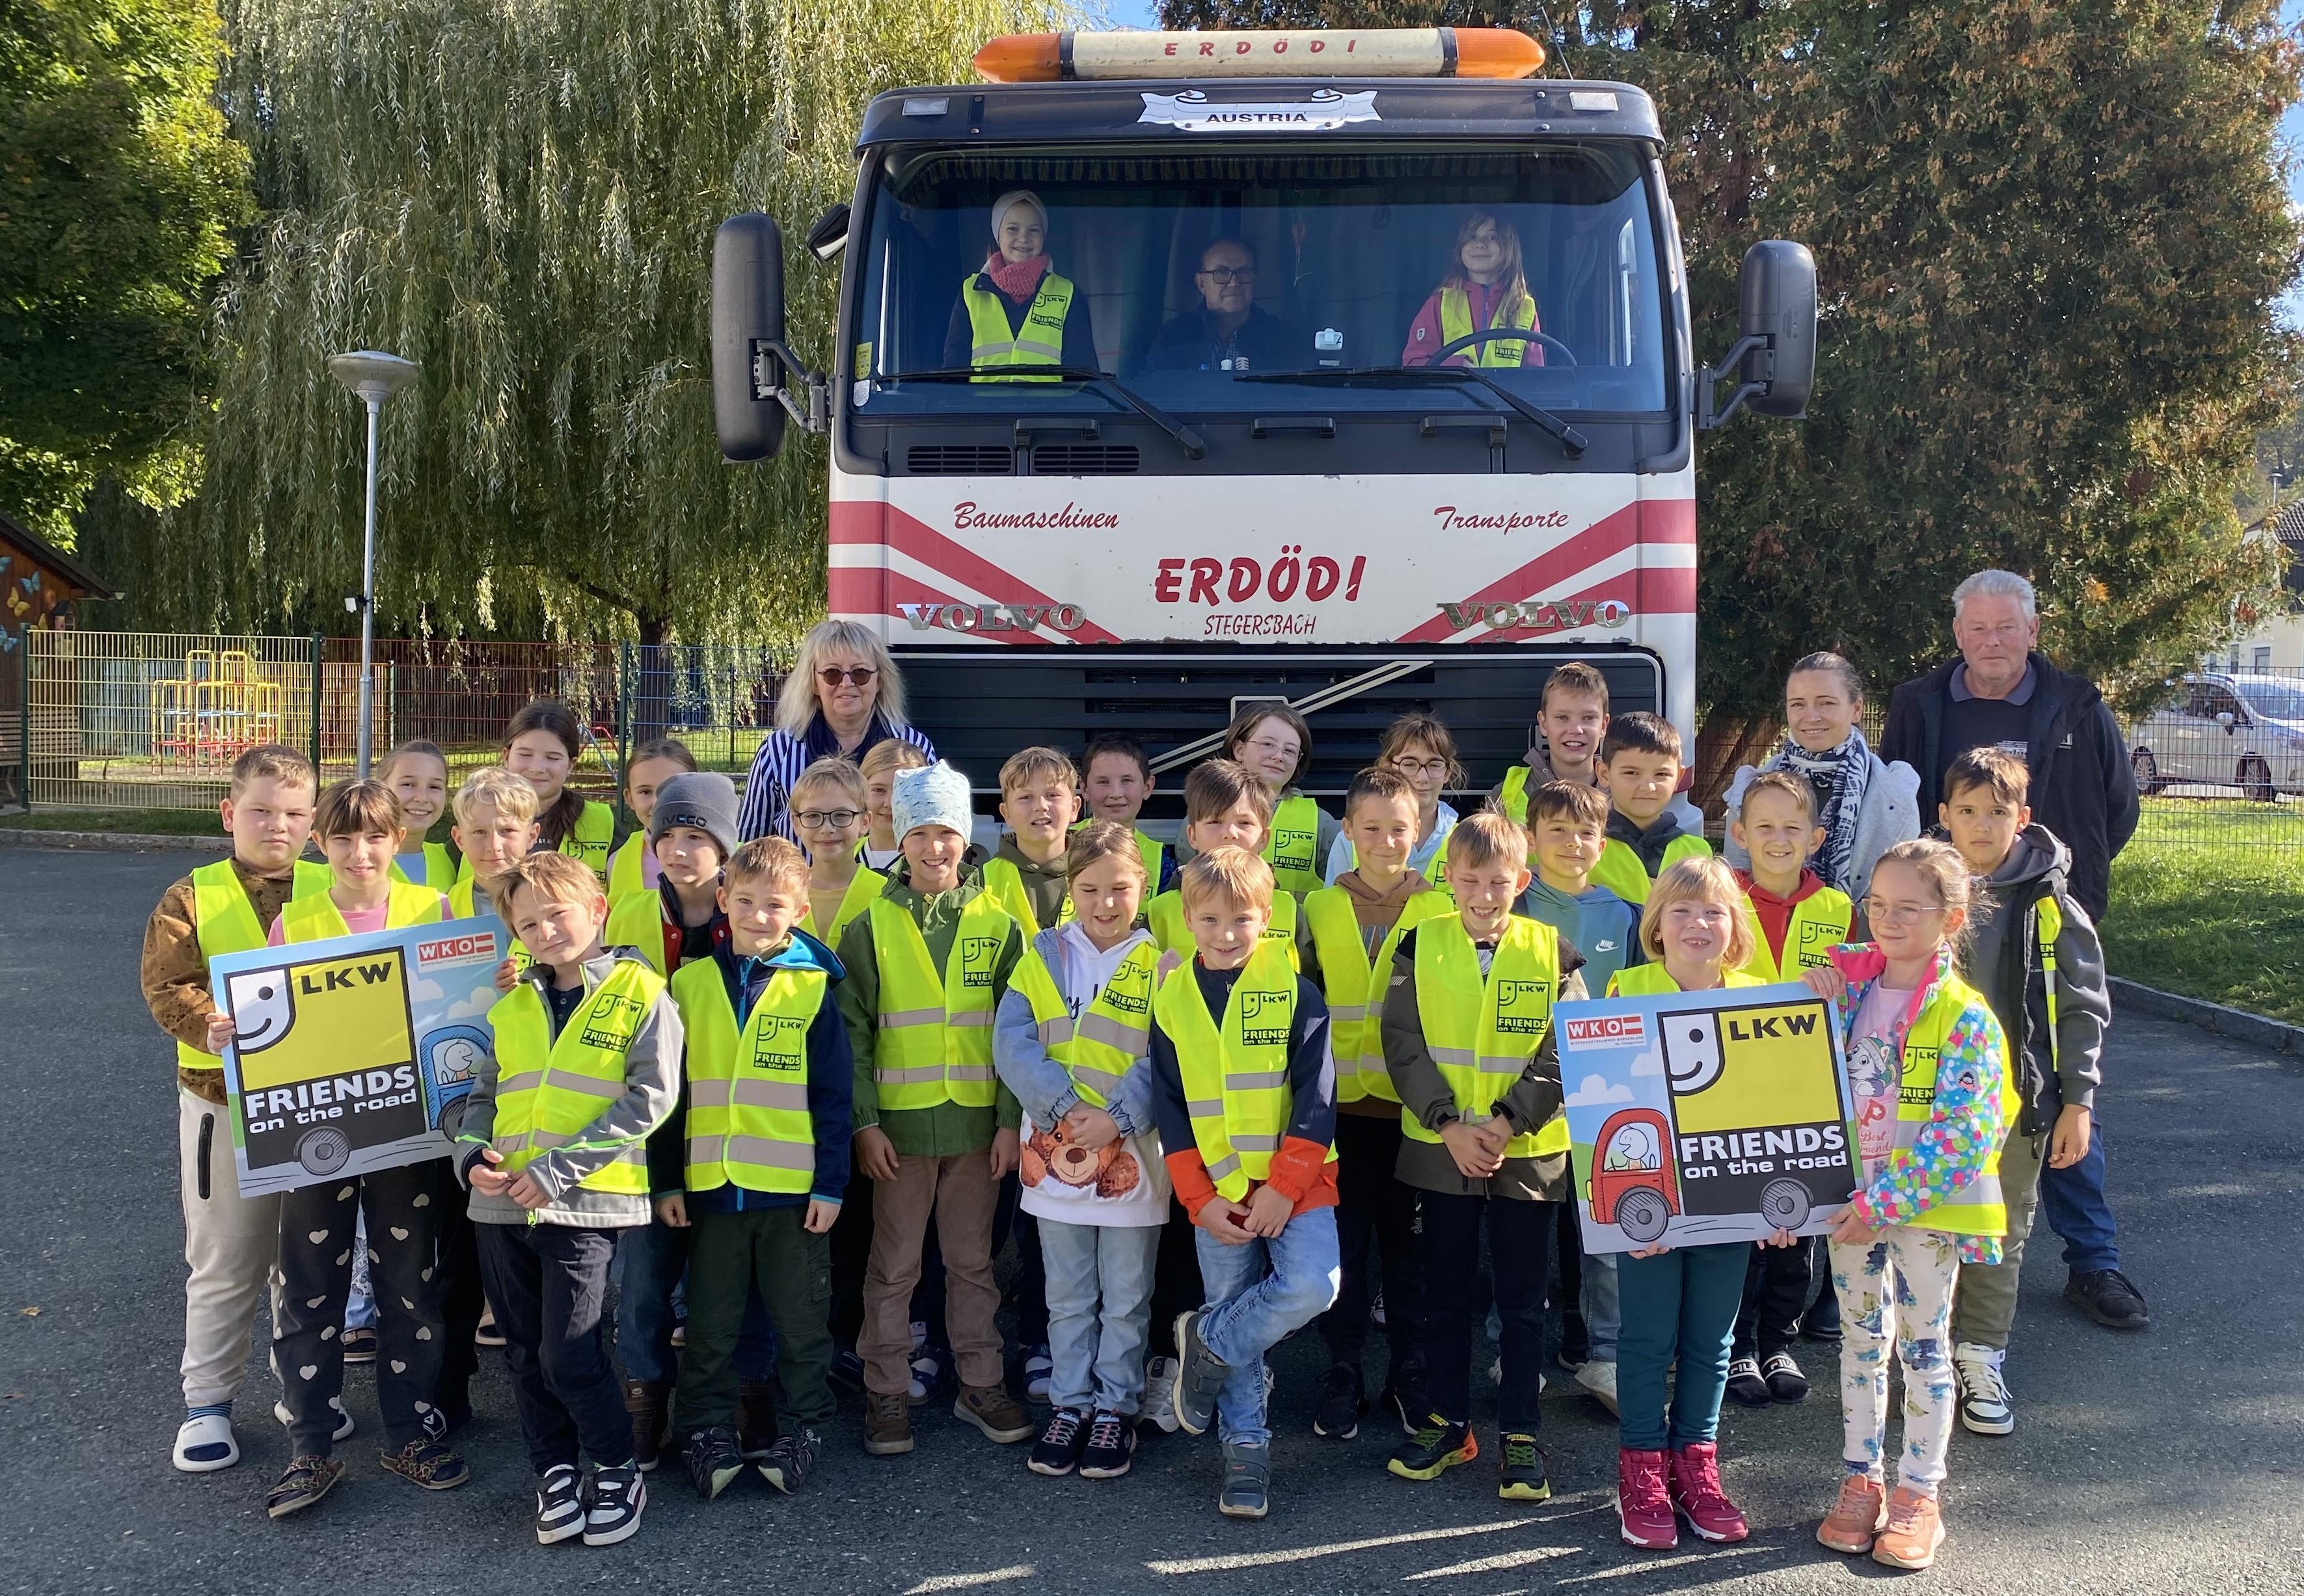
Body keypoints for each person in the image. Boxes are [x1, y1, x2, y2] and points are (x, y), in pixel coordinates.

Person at [1879, 569, 2143, 1332]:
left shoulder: (2077, 704)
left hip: (2042, 926)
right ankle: (1927, 1272)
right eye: (1977, 627)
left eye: (2005, 626)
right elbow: (1898, 802)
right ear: (1957, 634)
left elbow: (2118, 807)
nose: (1991, 641)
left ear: (2032, 630)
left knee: (2054, 1092)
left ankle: (2093, 1261)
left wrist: (2062, 887)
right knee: (1937, 1100)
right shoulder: (1919, 703)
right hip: (1943, 927)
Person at [457, 850, 681, 1549]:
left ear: (598, 909)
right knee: (524, 1353)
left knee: (571, 1353)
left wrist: (559, 1169)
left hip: (583, 1204)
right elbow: (484, 1094)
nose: (545, 931)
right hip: (500, 1204)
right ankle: (553, 1469)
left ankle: (616, 1467)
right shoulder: (513, 1001)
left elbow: (651, 1097)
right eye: (528, 924)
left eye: (558, 914)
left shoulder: (642, 991)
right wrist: (471, 1155)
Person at [1802, 839, 2011, 1573]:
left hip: (1923, 1213)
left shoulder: (1965, 1016)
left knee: (1923, 1347)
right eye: (1878, 905)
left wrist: (1883, 1203)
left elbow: (1966, 1135)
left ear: (1950, 917)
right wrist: (1808, 998)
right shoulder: (1844, 992)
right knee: (1860, 1341)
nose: (1888, 920)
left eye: (1909, 908)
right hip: (1848, 1207)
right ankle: (1861, 1477)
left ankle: (1919, 1492)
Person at [256, 781, 462, 1517]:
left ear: (397, 839)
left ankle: (408, 1431)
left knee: (410, 1284)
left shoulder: (433, 911)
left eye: (374, 836)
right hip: (318, 1136)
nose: (360, 852)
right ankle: (310, 1446)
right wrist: (233, 1030)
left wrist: (496, 981)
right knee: (310, 1287)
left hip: (406, 1132)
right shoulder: (295, 920)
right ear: (320, 843)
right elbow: (268, 1024)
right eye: (342, 837)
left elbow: (460, 1006)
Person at [835, 761, 1034, 1457]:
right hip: (899, 1134)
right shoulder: (870, 925)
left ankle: (980, 1381)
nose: (933, 846)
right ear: (898, 837)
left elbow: (1018, 1032)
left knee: (973, 1263)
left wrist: (1009, 1121)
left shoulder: (1000, 924)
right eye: (918, 832)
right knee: (894, 1267)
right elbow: (853, 1032)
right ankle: (886, 1388)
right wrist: (864, 1122)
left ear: (966, 836)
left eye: (946, 831)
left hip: (977, 1131)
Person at [1380, 812, 1577, 1502]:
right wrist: (1448, 1124)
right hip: (1443, 1150)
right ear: (1449, 879)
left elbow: (1567, 1045)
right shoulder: (1420, 942)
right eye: (1469, 880)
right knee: (1444, 1295)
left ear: (1521, 881)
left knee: (1522, 1302)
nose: (1484, 894)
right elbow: (1401, 1042)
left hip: (1526, 1151)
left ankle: (1520, 1432)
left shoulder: (1553, 950)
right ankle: (1447, 1422)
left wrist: (1506, 1120)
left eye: (1498, 881)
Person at [143, 744, 329, 1473]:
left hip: (315, 1101)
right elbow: (167, 984)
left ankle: (301, 1391)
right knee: (227, 1255)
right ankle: (207, 1402)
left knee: (304, 1259)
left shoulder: (333, 884)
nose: (276, 825)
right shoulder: (191, 895)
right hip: (223, 1103)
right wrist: (206, 1022)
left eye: (293, 813)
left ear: (312, 822)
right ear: (229, 813)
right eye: (260, 810)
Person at [653, 837, 851, 1500]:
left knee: (800, 1323)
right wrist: (668, 1179)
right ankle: (703, 1428)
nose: (758, 916)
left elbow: (832, 1095)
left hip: (792, 1195)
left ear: (799, 910)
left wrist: (830, 1183)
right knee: (709, 1325)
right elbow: (671, 1095)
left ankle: (806, 1424)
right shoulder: (689, 984)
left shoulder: (814, 988)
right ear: (722, 900)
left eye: (774, 905)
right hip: (712, 1192)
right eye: (745, 901)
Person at [1158, 848, 1341, 1521]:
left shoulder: (1297, 991)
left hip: (1297, 1183)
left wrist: (1283, 1186)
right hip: (1216, 1190)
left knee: (1313, 1285)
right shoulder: (1171, 999)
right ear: (1186, 918)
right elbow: (1170, 1107)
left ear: (1267, 917)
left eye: (1241, 918)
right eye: (1209, 919)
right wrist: (1199, 1200)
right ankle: (1244, 1446)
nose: (1226, 932)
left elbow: (1317, 1097)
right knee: (1233, 1302)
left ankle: (1205, 1340)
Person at [1934, 749, 2111, 1436]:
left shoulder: (2049, 903)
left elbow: (2081, 1007)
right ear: (1944, 816)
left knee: (1998, 1232)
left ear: (2022, 817)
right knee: (1922, 1229)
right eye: (1967, 811)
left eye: (1996, 812)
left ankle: (1980, 1355)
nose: (1981, 825)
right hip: (1921, 1103)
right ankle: (1925, 1357)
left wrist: (2078, 1101)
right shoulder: (1917, 886)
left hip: (2017, 1104)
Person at [1605, 858, 1775, 1552]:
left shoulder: (1763, 997)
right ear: (1656, 924)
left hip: (1728, 1199)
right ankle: (1642, 1469)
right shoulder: (1625, 988)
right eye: (1680, 910)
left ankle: (1696, 1467)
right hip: (1649, 1199)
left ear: (1735, 925)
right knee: (1647, 1337)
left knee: (1712, 1339)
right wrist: (1626, 1206)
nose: (1696, 923)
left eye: (1713, 911)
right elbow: (1606, 1103)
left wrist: (1777, 1206)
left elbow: (1777, 1104)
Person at [995, 822, 1169, 1481]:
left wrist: (1117, 1117)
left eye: (1119, 888)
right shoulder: (1041, 955)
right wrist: (1066, 1109)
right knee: (1066, 1295)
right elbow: (1013, 1042)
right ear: (1071, 888)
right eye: (1090, 888)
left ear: (1142, 886)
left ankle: (1115, 1408)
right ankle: (1070, 1403)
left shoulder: (1161, 963)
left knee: (1125, 1297)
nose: (1105, 902)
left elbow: (1165, 1054)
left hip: (1132, 1160)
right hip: (1054, 1154)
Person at [1299, 767, 1449, 1441]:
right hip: (1337, 1115)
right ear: (1348, 831)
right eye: (1371, 828)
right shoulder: (1317, 907)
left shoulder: (1440, 910)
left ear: (1417, 832)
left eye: (1399, 828)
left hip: (1412, 1115)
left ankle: (1409, 1370)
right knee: (1345, 1249)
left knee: (1410, 1253)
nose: (1386, 840)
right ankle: (1343, 1368)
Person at [1720, 771, 1852, 1411]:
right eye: (1764, 826)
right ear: (1739, 833)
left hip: (1808, 1092)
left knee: (1797, 1224)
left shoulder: (1839, 909)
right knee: (1744, 1225)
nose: (1778, 839)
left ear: (1815, 838)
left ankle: (1778, 1341)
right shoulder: (1720, 899)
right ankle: (1738, 1344)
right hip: (1732, 1091)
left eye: (1792, 828)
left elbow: (1860, 997)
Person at [1513, 779, 1640, 1417]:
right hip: (1528, 1091)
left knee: (1606, 1236)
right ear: (1530, 839)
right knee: (1525, 1233)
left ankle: (1608, 1356)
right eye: (1556, 831)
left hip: (1604, 1091)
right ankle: (1515, 1353)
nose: (1571, 843)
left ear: (1602, 843)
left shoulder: (1626, 915)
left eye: (1585, 832)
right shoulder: (1512, 906)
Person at [1721, 653, 1919, 904]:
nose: (1812, 716)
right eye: (1798, 704)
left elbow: (1902, 892)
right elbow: (1737, 889)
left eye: (1826, 703)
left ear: (1856, 709)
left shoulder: (1895, 794)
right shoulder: (1750, 788)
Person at [737, 618, 935, 845]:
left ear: (880, 680)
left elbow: (933, 830)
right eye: (832, 673)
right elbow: (749, 844)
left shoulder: (915, 747)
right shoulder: (777, 752)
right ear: (813, 682)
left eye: (860, 673)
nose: (847, 683)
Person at [1146, 759, 1300, 965]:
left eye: (1244, 823)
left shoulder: (1290, 910)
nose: (1230, 833)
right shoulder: (1159, 912)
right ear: (1192, 835)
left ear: (1264, 837)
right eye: (1215, 822)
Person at [942, 189, 1097, 379]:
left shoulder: (1069, 294)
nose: (1023, 238)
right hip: (981, 400)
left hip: (1050, 401)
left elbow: (1084, 377)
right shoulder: (970, 292)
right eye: (1013, 229)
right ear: (998, 236)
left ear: (1044, 237)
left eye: (1034, 230)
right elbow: (953, 371)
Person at [603, 772, 736, 979]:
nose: (676, 850)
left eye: (694, 837)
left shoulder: (752, 914)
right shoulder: (624, 917)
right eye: (666, 835)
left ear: (723, 848)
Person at [1217, 702, 1338, 900]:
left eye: (1290, 751)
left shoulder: (1322, 824)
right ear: (1239, 750)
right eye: (1268, 744)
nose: (1278, 756)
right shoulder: (1206, 814)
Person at [1325, 713, 1462, 886]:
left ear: (1447, 772)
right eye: (1409, 764)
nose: (1422, 777)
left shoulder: (1464, 840)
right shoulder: (1349, 841)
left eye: (1435, 765)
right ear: (1387, 766)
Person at [1592, 712, 1711, 906]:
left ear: (1679, 777)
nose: (1648, 787)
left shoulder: (1697, 852)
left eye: (1661, 774)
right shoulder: (1586, 849)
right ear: (1604, 773)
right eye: (1631, 773)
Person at [1142, 237, 1310, 375]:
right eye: (1221, 273)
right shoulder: (1174, 337)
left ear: (1254, 280)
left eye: (1243, 272)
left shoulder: (1283, 339)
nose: (1234, 283)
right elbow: (1154, 393)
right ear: (1201, 283)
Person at [1403, 211, 1543, 368]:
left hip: (1506, 387)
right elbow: (1414, 364)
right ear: (1460, 248)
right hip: (1454, 386)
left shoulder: (1524, 307)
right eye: (1472, 237)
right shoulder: (1440, 302)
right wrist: (1457, 366)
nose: (1480, 244)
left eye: (1492, 237)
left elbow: (1536, 376)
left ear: (1509, 248)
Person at [501, 699, 618, 886]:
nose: (537, 768)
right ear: (506, 757)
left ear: (571, 765)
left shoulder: (602, 822)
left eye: (552, 758)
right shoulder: (477, 817)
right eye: (525, 755)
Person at [981, 746, 1083, 937]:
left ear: (1074, 808)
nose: (1041, 806)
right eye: (1026, 797)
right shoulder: (982, 881)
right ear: (1007, 814)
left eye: (1052, 795)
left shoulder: (1098, 872)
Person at [789, 757, 887, 948]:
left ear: (865, 822)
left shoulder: (884, 894)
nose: (827, 828)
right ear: (796, 823)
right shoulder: (781, 893)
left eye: (841, 815)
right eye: (813, 816)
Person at [1493, 662, 1610, 824]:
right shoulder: (1508, 793)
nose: (1576, 730)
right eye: (1562, 717)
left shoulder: (1623, 791)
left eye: (1588, 718)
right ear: (1544, 723)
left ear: (1603, 726)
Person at [1079, 733, 1176, 893]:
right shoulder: (1064, 845)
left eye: (1127, 781)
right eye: (1103, 782)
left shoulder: (1161, 861)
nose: (1116, 794)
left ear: (1147, 787)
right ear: (1084, 788)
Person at [608, 738, 698, 905]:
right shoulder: (617, 861)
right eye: (645, 792)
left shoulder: (728, 859)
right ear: (629, 798)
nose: (657, 802)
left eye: (670, 790)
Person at [381, 738, 456, 889]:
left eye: (434, 787)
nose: (422, 798)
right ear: (381, 787)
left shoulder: (453, 860)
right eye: (408, 784)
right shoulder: (352, 861)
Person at [858, 738, 934, 872]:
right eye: (879, 790)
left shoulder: (933, 860)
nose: (889, 803)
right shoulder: (841, 855)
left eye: (901, 791)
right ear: (861, 790)